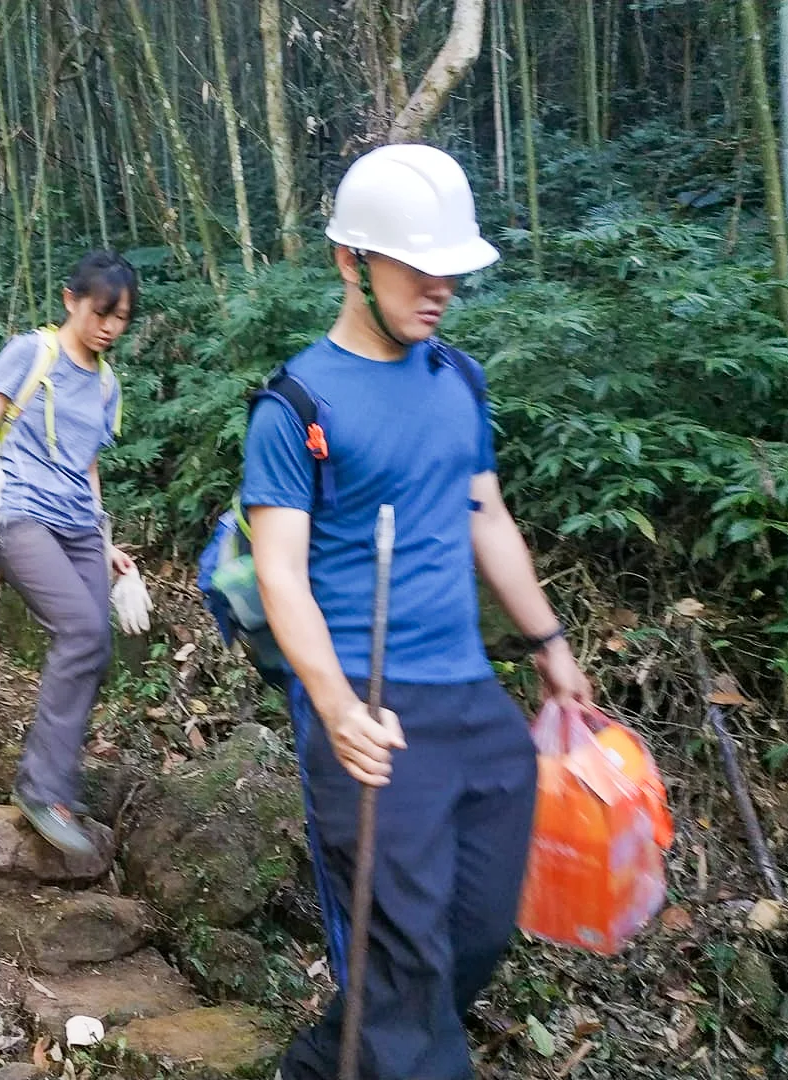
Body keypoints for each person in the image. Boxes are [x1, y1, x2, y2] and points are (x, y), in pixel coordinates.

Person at [239, 145, 592, 1080]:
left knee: (475, 933)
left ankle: (320, 1065)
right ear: (350, 262)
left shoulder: (457, 380)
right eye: (417, 267)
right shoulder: (296, 405)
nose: (441, 288)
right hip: (370, 704)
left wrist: (549, 642)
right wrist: (335, 707)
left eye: (451, 269)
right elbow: (280, 576)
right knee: (406, 965)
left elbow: (487, 515)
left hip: (473, 701)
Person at [0, 250, 153, 857]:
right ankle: (41, 787)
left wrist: (106, 543)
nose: (109, 327)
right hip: (21, 513)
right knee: (81, 629)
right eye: (101, 312)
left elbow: (88, 466)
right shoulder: (32, 352)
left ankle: (56, 780)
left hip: (79, 525)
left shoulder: (106, 383)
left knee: (96, 646)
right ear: (71, 300)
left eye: (121, 318)